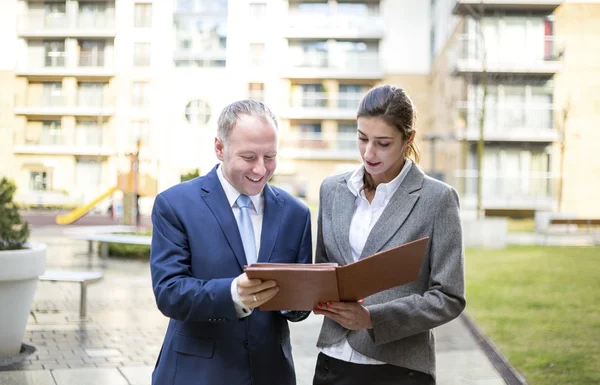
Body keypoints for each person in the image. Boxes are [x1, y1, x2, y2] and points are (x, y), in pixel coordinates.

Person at [150, 100, 313, 385]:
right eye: (249, 157)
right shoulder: (174, 205)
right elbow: (169, 292)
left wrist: (307, 299)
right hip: (196, 374)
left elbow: (297, 307)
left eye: (270, 156)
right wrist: (233, 293)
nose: (261, 169)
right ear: (219, 148)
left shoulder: (296, 213)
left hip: (270, 374)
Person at [312, 85, 466, 385]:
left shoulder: (437, 200)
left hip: (398, 369)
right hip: (333, 361)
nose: (369, 153)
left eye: (382, 143)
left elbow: (449, 297)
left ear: (408, 140)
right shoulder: (331, 191)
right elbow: (323, 269)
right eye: (362, 138)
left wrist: (372, 318)